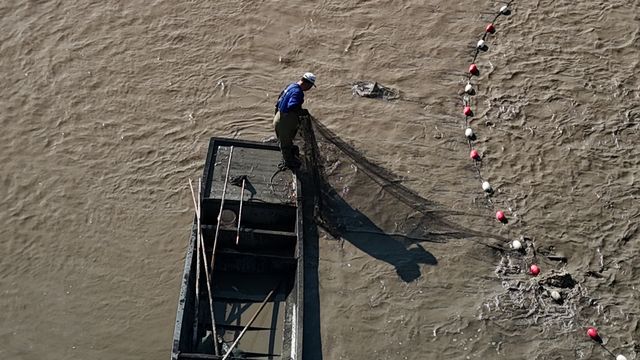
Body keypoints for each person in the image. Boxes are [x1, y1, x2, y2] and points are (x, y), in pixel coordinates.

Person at [273, 72, 316, 169]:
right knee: (285, 144)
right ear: (308, 84)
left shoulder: (291, 86)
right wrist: (300, 112)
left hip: (279, 116)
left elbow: (279, 99)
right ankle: (288, 162)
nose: (310, 89)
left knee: (285, 140)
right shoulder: (298, 92)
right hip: (285, 120)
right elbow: (292, 105)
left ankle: (289, 155)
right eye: (311, 86)